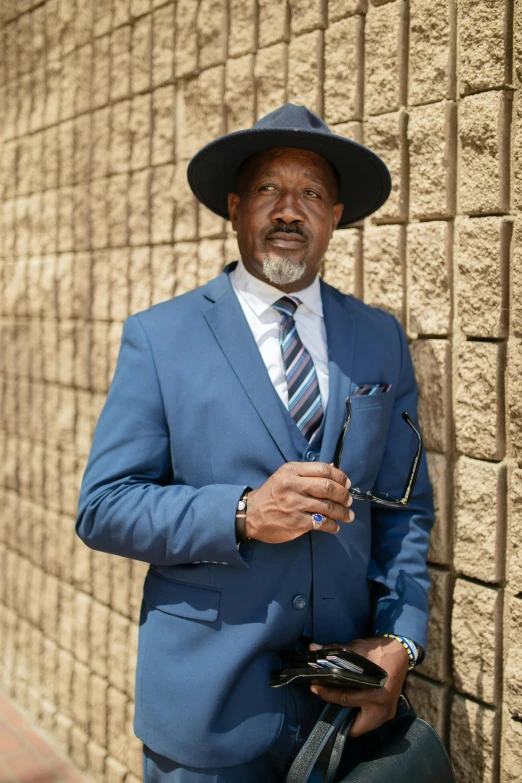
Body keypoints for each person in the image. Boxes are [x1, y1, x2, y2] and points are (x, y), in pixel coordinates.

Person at [76, 104, 434, 783]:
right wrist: (241, 512)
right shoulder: (161, 337)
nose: (289, 210)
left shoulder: (378, 338)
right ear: (237, 208)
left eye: (311, 193)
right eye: (270, 189)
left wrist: (402, 638)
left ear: (335, 216)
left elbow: (404, 509)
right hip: (206, 719)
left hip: (342, 710)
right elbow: (104, 505)